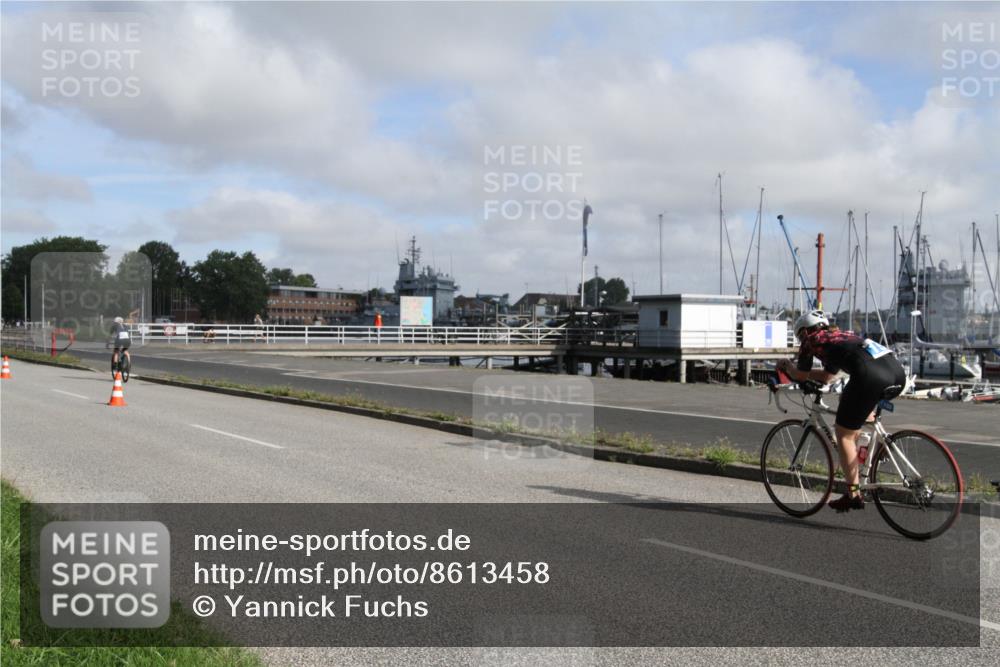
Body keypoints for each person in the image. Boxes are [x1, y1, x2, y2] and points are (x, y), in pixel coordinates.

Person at [777, 310, 906, 513]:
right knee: (853, 405)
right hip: (897, 374)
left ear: (804, 331)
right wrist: (808, 374)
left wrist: (787, 367)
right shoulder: (841, 336)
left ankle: (853, 494)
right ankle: (876, 444)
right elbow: (828, 377)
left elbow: (800, 375)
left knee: (843, 433)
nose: (802, 339)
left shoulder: (811, 340)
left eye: (800, 334)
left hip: (869, 376)